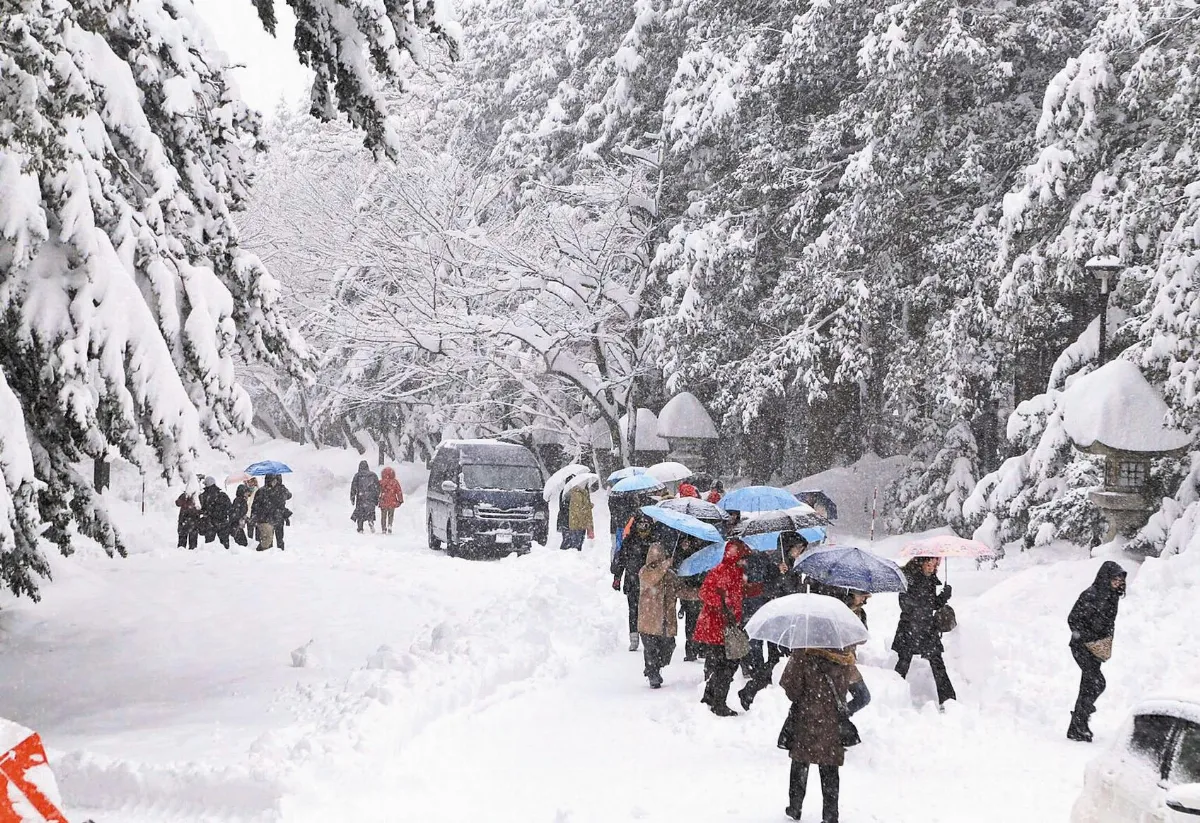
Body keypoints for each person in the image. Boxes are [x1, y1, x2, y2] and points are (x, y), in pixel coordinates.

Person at [780, 646, 855, 822]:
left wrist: (796, 661)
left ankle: (795, 806)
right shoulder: (844, 656)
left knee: (800, 762)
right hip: (832, 722)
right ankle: (830, 814)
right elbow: (853, 691)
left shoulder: (804, 655)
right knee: (830, 769)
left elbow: (792, 691)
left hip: (807, 718)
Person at [695, 539, 760, 717]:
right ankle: (718, 703)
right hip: (716, 627)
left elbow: (740, 592)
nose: (745, 562)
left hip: (725, 626)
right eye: (743, 558)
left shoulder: (736, 573)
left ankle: (710, 697)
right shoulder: (719, 572)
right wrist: (723, 604)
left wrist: (759, 589)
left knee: (723, 665)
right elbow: (705, 592)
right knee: (727, 665)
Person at [1067, 560, 1127, 742]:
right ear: (1105, 577)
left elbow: (1108, 623)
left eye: (1120, 580)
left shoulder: (1112, 596)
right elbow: (1072, 620)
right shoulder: (1090, 595)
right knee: (1096, 683)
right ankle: (1079, 720)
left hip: (1096, 648)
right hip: (1081, 646)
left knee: (1089, 685)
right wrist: (1089, 638)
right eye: (1115, 579)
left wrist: (1105, 642)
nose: (1118, 583)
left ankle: (1077, 725)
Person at [892, 556, 956, 706]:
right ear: (920, 563)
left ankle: (948, 701)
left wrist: (944, 596)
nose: (931, 568)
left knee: (937, 663)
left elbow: (931, 604)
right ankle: (892, 695)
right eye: (929, 564)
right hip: (909, 628)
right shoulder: (909, 579)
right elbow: (905, 603)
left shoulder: (930, 580)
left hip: (927, 629)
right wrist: (921, 609)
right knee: (903, 663)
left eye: (934, 565)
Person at [637, 543, 698, 688]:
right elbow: (653, 578)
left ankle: (655, 667)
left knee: (668, 647)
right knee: (650, 649)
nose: (658, 560)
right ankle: (653, 673)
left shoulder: (670, 575)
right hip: (648, 620)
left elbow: (681, 591)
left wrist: (699, 594)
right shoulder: (644, 572)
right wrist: (664, 566)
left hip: (666, 620)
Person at [737, 546, 785, 710]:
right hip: (755, 607)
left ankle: (757, 674)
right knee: (756, 643)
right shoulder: (754, 560)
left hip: (760, 607)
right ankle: (757, 676)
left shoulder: (764, 559)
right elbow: (756, 587)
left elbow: (768, 583)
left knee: (758, 643)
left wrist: (778, 572)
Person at [612, 514, 656, 652]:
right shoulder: (629, 541)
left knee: (648, 611)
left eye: (646, 525)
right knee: (633, 609)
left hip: (650, 583)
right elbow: (620, 560)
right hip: (632, 581)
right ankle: (634, 637)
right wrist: (617, 577)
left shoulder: (654, 542)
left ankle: (648, 638)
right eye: (640, 524)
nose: (643, 528)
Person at [253, 473, 291, 551]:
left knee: (278, 538)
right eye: (273, 480)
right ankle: (270, 554)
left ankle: (278, 553)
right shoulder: (263, 491)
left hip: (275, 517)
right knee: (269, 539)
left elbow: (289, 496)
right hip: (268, 518)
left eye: (276, 480)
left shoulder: (280, 490)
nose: (275, 482)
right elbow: (256, 506)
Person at [198, 476, 233, 549]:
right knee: (225, 544)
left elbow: (200, 509)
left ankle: (209, 557)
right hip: (222, 522)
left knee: (209, 545)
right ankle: (227, 556)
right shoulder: (222, 495)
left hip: (209, 523)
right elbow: (230, 508)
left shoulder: (204, 496)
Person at [561, 483, 594, 551]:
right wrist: (584, 522)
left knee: (577, 544)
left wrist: (588, 505)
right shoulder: (577, 494)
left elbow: (581, 506)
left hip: (578, 523)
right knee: (576, 545)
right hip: (578, 524)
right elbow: (577, 510)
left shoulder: (582, 493)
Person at [350, 460, 380, 533]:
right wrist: (377, 498)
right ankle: (371, 521)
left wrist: (352, 497)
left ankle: (360, 528)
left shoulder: (357, 475)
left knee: (360, 512)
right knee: (370, 511)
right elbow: (377, 487)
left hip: (361, 497)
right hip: (371, 497)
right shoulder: (373, 475)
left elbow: (353, 487)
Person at [379, 467, 404, 534]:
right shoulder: (395, 482)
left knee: (383, 516)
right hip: (392, 501)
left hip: (383, 501)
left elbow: (377, 491)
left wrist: (377, 499)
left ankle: (383, 528)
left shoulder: (381, 482)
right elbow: (399, 491)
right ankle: (390, 525)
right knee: (391, 515)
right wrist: (400, 500)